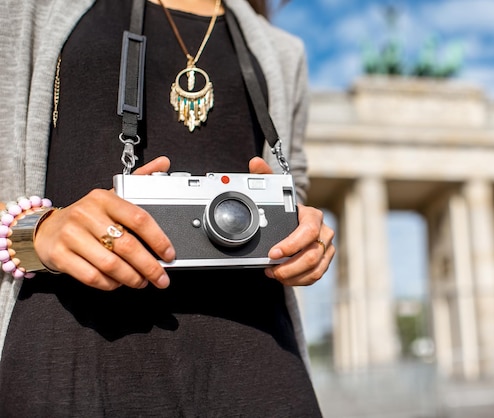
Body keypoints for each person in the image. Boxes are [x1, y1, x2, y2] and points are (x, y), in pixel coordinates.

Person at [0, 0, 335, 416]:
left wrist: (307, 238)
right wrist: (37, 231)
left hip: (259, 363)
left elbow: (293, 187)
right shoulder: (27, 9)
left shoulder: (283, 51)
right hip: (75, 352)